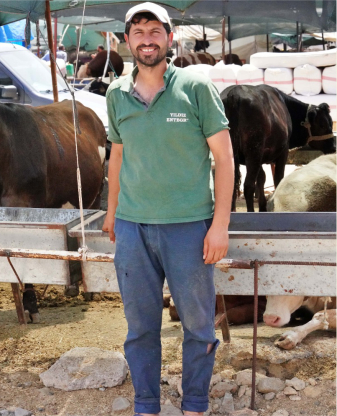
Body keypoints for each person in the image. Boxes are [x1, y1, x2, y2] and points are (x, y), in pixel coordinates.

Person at [102, 3, 234, 416]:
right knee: (140, 328)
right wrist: (111, 213)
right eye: (138, 32)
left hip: (188, 228)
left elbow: (225, 160)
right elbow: (117, 159)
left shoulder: (195, 89)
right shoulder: (116, 94)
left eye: (154, 31)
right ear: (128, 42)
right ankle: (147, 405)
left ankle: (194, 404)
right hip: (132, 228)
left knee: (196, 326)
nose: (146, 39)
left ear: (169, 38)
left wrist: (220, 226)